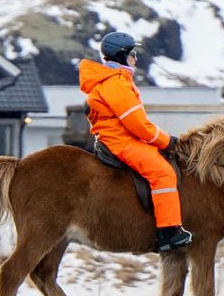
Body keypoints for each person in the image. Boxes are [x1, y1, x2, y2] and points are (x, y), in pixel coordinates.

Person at [79, 32, 190, 255]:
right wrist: (167, 141)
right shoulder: (115, 83)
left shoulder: (115, 80)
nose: (135, 58)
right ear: (121, 56)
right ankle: (168, 232)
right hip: (122, 142)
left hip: (123, 139)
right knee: (163, 173)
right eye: (132, 54)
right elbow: (138, 124)